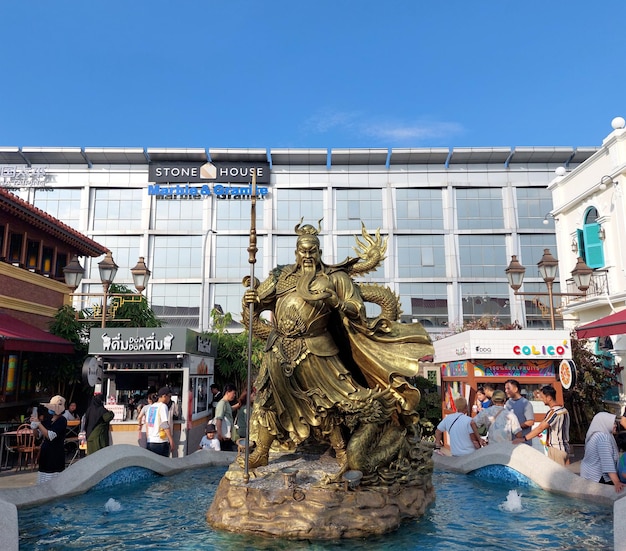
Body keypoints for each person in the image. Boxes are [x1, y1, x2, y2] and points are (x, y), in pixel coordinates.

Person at [241, 222, 432, 471]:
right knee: (268, 400)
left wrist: (336, 303)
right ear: (296, 251)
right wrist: (249, 301)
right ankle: (262, 452)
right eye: (303, 250)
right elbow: (257, 304)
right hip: (278, 348)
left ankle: (343, 451)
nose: (307, 256)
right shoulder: (281, 275)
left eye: (313, 251)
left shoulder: (334, 278)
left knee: (327, 402)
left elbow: (357, 309)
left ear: (319, 252)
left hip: (317, 348)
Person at [515, 385, 570, 466]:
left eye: (542, 397)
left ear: (549, 398)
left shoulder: (554, 412)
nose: (541, 399)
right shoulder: (564, 410)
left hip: (556, 449)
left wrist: (524, 438)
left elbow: (541, 427)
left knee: (556, 476)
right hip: (563, 447)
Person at [579, 412, 624, 492]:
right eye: (613, 423)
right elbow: (607, 462)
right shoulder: (602, 438)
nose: (615, 425)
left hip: (588, 474)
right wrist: (617, 482)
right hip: (596, 476)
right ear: (604, 423)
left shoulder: (597, 434)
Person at [31, 395, 67, 484]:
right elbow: (37, 435)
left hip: (55, 455)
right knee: (42, 480)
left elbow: (50, 436)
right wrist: (34, 427)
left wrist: (39, 424)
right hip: (45, 455)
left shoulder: (62, 420)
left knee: (53, 481)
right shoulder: (48, 420)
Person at [145, 387, 174, 457]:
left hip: (150, 441)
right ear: (164, 396)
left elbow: (147, 425)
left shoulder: (151, 407)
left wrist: (148, 438)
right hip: (160, 442)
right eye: (169, 396)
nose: (170, 399)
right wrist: (171, 440)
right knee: (163, 465)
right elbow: (164, 424)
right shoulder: (163, 406)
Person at [504, 379, 534, 445]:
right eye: (505, 389)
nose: (506, 391)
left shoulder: (526, 403)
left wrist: (516, 427)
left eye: (508, 388)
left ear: (515, 389)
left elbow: (530, 422)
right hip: (510, 443)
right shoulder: (507, 403)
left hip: (523, 443)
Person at [214, 384, 237, 452]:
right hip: (223, 437)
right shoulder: (222, 403)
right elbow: (218, 419)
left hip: (227, 435)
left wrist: (240, 403)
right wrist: (219, 433)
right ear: (227, 392)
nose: (234, 395)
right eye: (233, 393)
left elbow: (231, 409)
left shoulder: (226, 403)